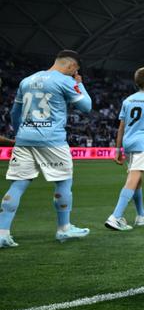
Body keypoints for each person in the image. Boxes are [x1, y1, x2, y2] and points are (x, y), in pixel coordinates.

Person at [1, 50, 93, 247]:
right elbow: (86, 106)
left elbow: (14, 113)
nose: (74, 74)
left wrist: (20, 134)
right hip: (52, 140)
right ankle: (64, 229)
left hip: (25, 139)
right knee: (63, 183)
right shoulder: (64, 80)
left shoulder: (26, 80)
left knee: (17, 185)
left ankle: (2, 233)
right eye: (74, 70)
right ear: (70, 66)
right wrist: (79, 83)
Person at [106, 67, 144, 230]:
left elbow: (121, 126)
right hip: (143, 142)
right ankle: (116, 216)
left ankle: (141, 215)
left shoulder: (128, 100)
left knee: (137, 179)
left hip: (128, 142)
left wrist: (117, 150)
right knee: (134, 177)